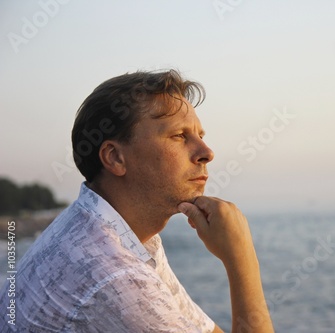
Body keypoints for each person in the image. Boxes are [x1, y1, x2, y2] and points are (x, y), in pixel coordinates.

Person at [0, 70, 274, 332]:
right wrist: (242, 259)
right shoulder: (113, 276)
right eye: (179, 136)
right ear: (115, 158)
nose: (207, 152)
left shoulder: (121, 234)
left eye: (200, 136)